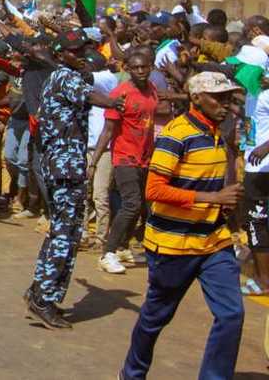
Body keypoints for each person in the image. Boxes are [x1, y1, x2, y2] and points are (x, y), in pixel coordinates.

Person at [120, 72, 245, 379]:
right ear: (196, 98)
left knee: (231, 314)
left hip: (214, 241)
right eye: (218, 97)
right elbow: (154, 190)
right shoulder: (177, 134)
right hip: (173, 245)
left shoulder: (218, 132)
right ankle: (132, 373)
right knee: (155, 317)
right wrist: (212, 197)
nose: (225, 104)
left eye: (228, 98)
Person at [25, 30, 125, 329]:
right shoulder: (66, 77)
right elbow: (92, 96)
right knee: (65, 235)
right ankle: (44, 300)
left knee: (63, 232)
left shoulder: (64, 74)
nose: (82, 54)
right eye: (75, 50)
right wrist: (115, 103)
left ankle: (40, 293)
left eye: (84, 49)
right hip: (64, 168)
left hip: (64, 165)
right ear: (62, 53)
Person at [94, 51, 158, 274]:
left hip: (145, 158)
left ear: (151, 67)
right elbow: (107, 131)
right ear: (128, 69)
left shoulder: (152, 90)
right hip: (124, 157)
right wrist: (93, 163)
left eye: (145, 67)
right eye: (136, 67)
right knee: (131, 204)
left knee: (142, 205)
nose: (141, 71)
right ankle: (107, 253)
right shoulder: (120, 94)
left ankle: (122, 246)